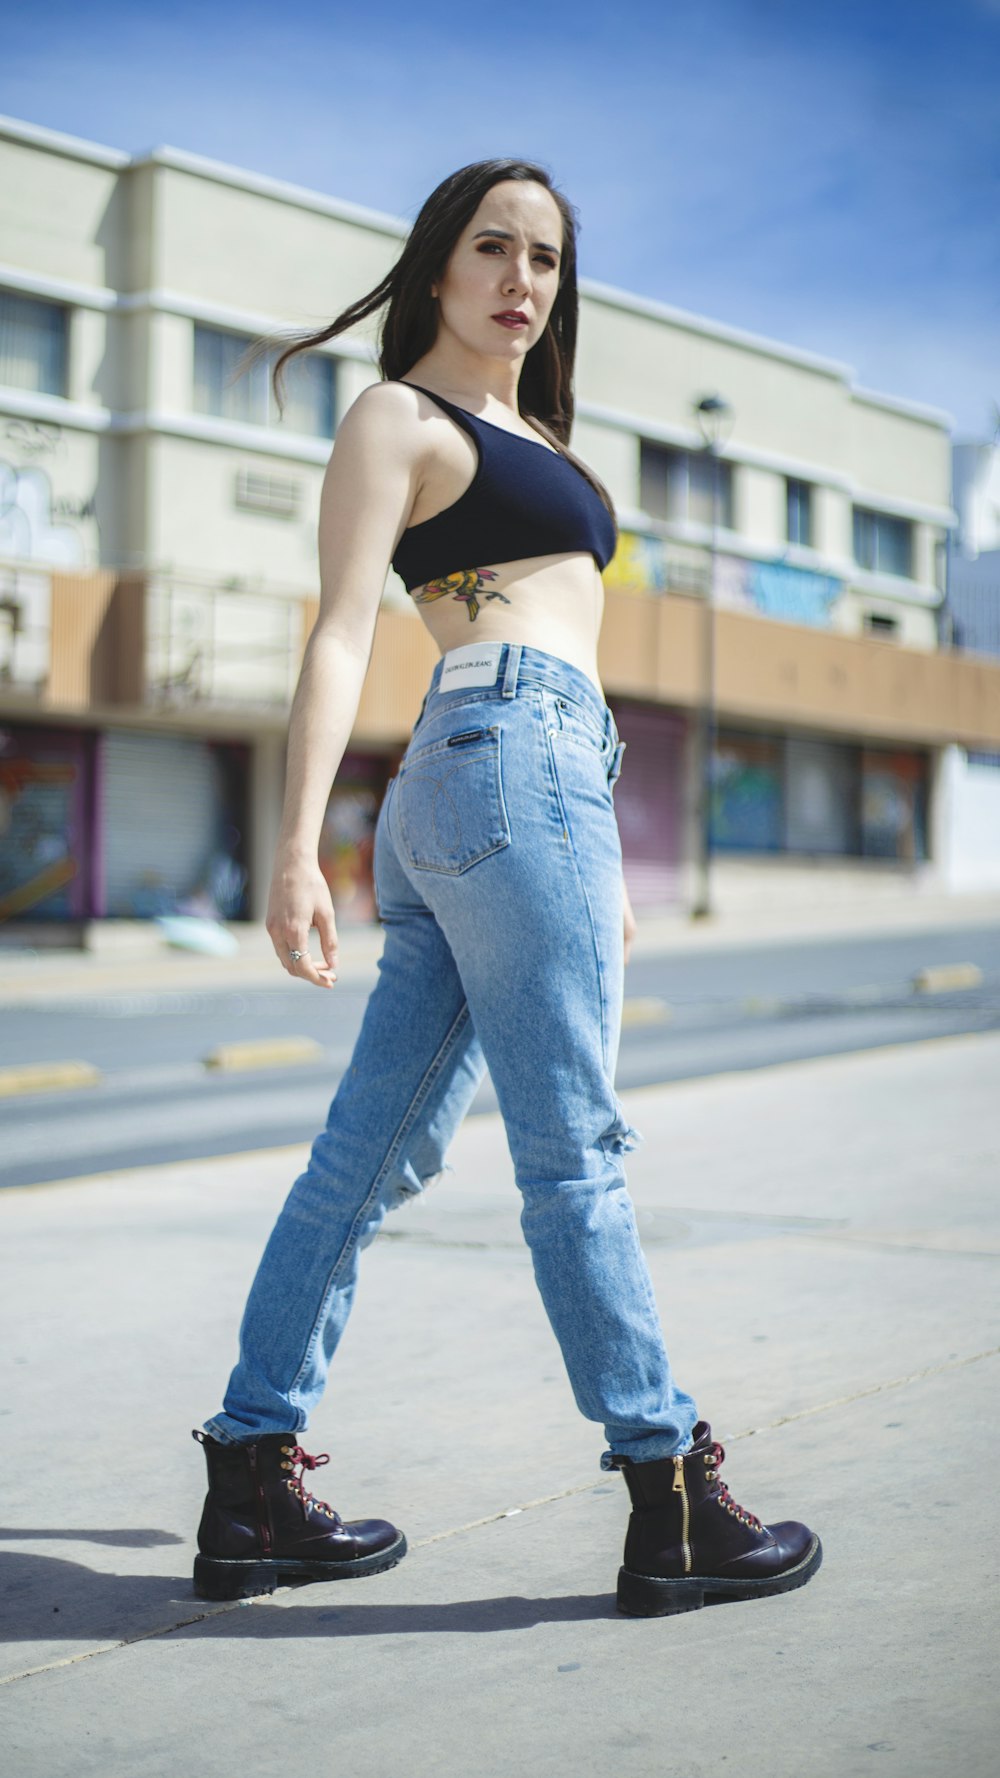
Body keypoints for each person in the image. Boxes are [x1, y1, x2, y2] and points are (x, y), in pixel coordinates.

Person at [192, 158, 822, 1618]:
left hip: (516, 780)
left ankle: (250, 1478)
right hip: (498, 759)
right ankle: (669, 1492)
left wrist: (584, 838)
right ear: (434, 266)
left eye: (544, 258)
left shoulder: (523, 427)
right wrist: (296, 846)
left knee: (372, 1158)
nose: (522, 281)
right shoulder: (398, 416)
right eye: (493, 247)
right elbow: (343, 629)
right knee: (572, 1152)